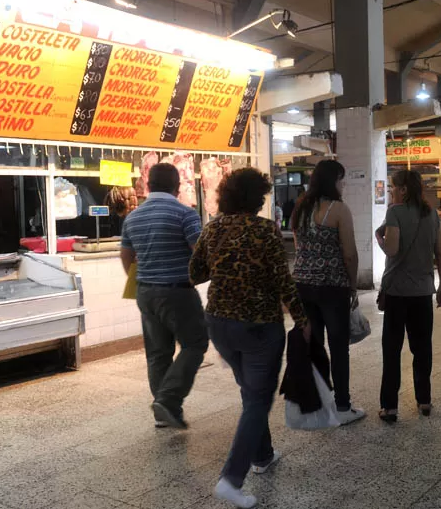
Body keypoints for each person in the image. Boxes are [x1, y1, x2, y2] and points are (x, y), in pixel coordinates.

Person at [189, 168, 311, 509]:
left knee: (251, 393)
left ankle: (263, 454)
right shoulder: (264, 230)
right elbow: (281, 280)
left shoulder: (212, 228)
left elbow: (195, 273)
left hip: (219, 324)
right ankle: (231, 479)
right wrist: (302, 318)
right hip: (258, 326)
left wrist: (224, 265)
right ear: (257, 197)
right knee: (258, 399)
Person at [120, 163, 208, 430]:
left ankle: (162, 413)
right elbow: (200, 252)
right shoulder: (185, 213)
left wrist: (142, 279)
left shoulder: (133, 217)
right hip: (177, 292)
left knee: (158, 354)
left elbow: (125, 255)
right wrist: (202, 276)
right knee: (195, 344)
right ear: (177, 186)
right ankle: (169, 400)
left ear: (148, 186)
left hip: (145, 291)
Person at [291, 160, 365, 425]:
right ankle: (343, 406)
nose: (343, 184)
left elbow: (299, 245)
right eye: (341, 179)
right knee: (338, 346)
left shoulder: (300, 207)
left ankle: (317, 404)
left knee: (314, 346)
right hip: (332, 287)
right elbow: (349, 253)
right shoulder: (338, 210)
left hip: (302, 284)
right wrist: (353, 285)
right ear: (332, 181)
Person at [375, 170, 441, 423]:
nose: (392, 191)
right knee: (422, 348)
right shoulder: (432, 214)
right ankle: (424, 401)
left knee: (392, 350)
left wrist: (378, 238)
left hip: (397, 292)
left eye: (394, 187)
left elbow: (392, 249)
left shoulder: (395, 212)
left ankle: (390, 407)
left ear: (403, 189)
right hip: (423, 292)